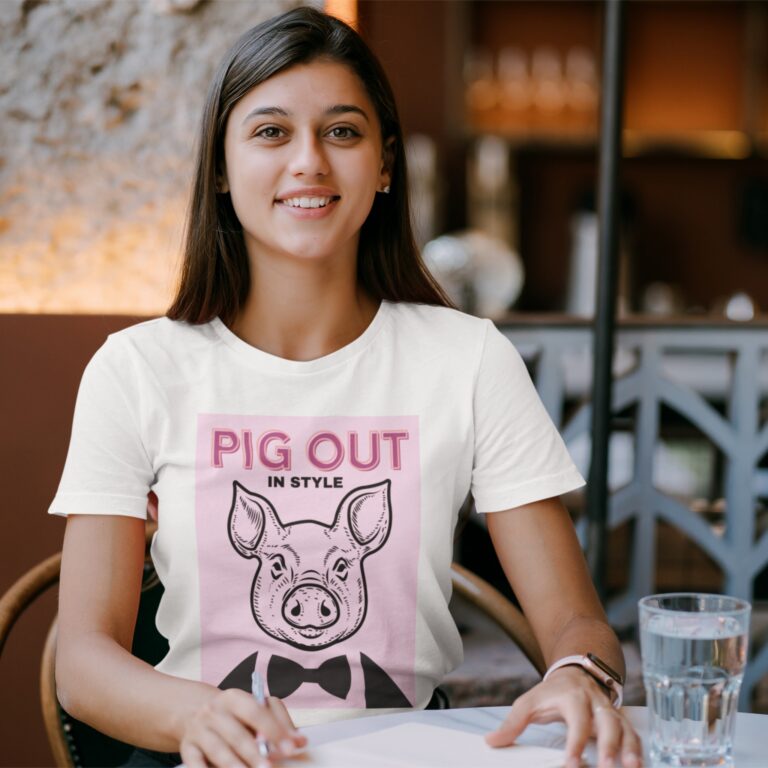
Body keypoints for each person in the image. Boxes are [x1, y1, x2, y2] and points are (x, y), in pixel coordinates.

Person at [50, 6, 642, 768]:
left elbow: (577, 625)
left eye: (342, 131)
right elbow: (82, 664)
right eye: (271, 132)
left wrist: (580, 677)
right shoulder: (136, 370)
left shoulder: (467, 360)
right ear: (221, 168)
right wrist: (195, 716)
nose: (309, 162)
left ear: (385, 164)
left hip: (412, 756)